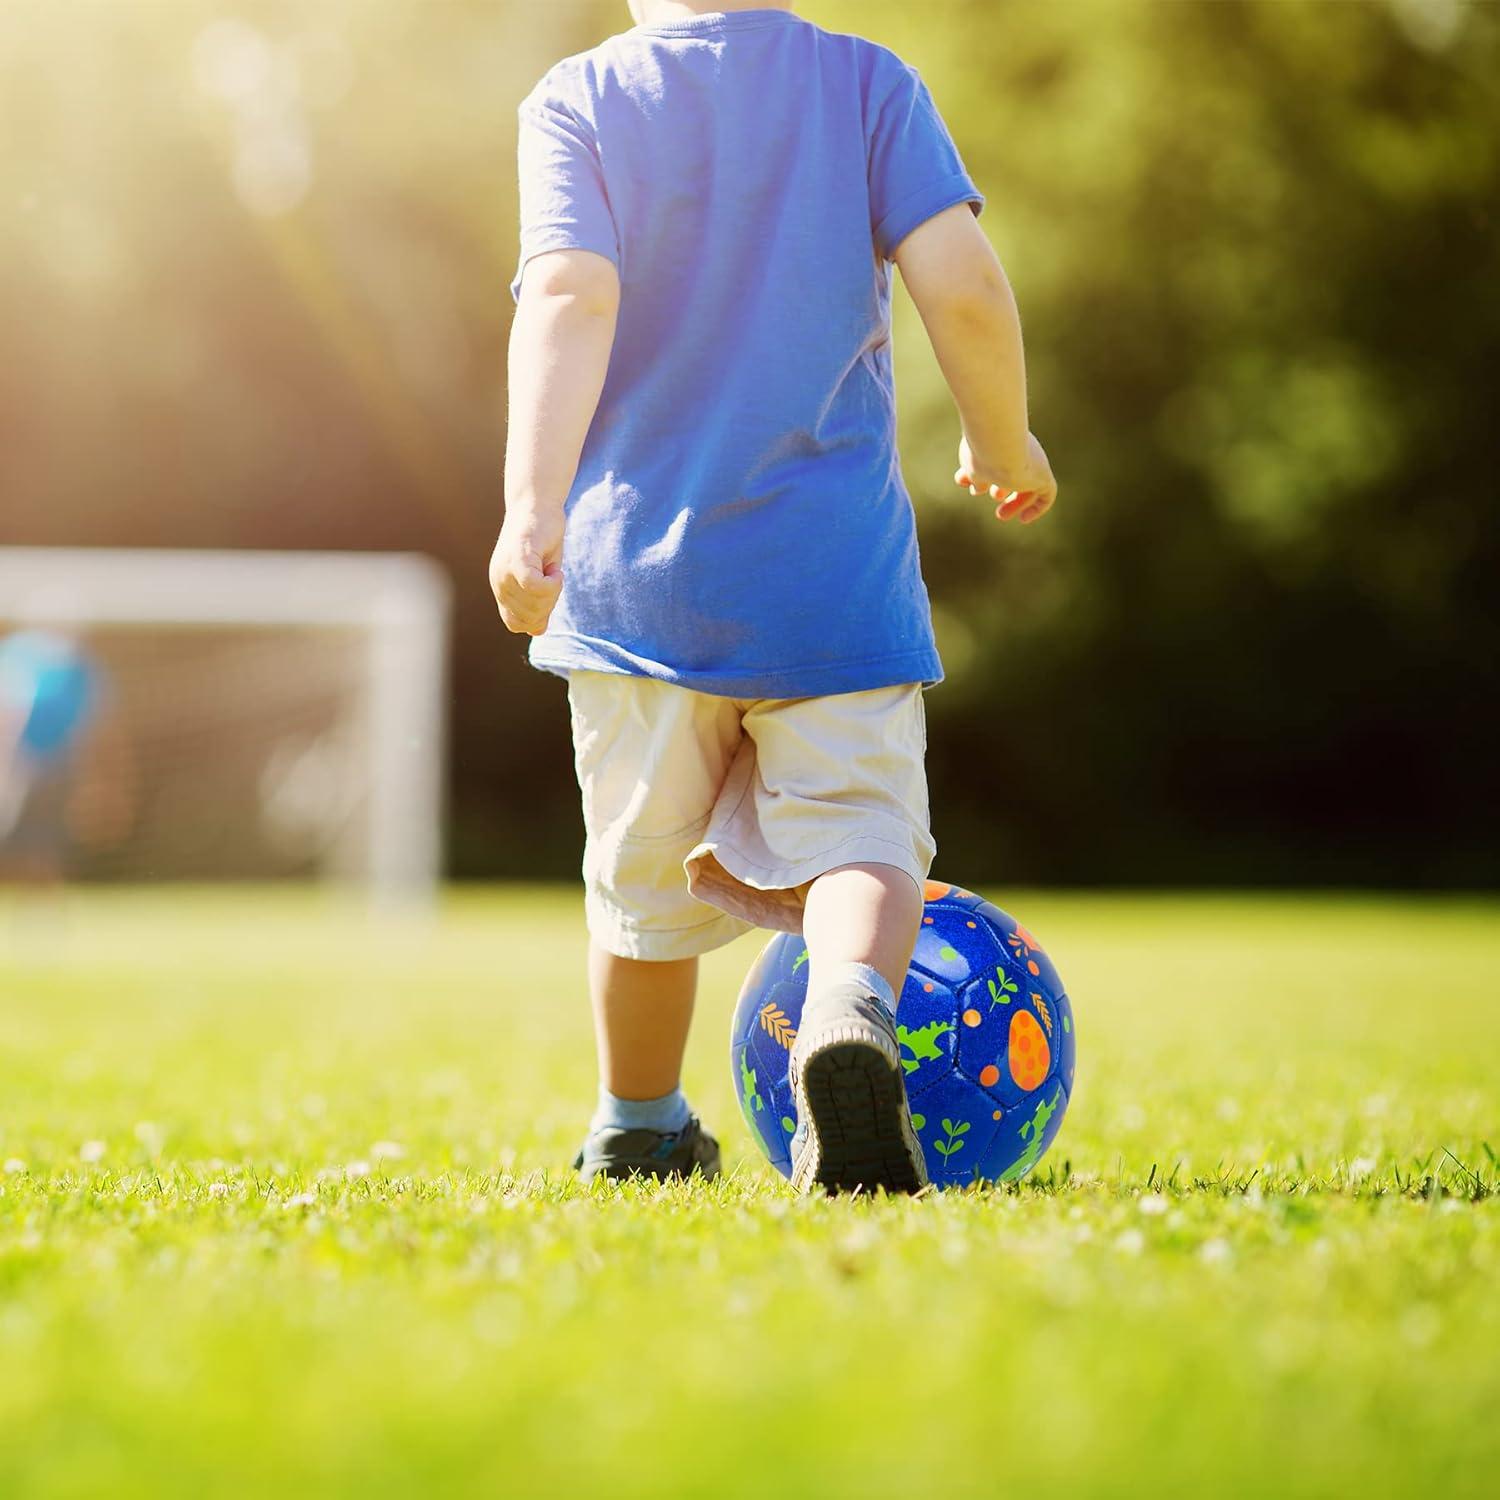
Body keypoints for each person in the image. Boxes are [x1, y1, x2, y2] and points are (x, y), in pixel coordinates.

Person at [490, 0, 1057, 1193]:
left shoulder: (579, 100)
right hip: (830, 581)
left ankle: (638, 1122)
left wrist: (530, 509)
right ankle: (848, 1011)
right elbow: (962, 285)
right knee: (861, 837)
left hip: (639, 588)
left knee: (641, 886)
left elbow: (568, 298)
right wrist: (1002, 440)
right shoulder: (867, 85)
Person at [0, 625, 134, 887]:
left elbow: (99, 729)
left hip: (56, 766)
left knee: (45, 842)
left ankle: (41, 902)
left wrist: (104, 784)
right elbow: (10, 718)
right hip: (19, 765)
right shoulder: (16, 660)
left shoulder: (82, 671)